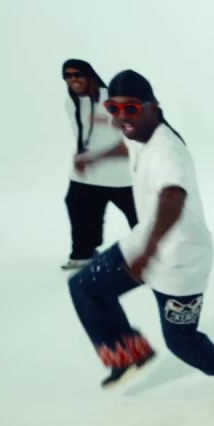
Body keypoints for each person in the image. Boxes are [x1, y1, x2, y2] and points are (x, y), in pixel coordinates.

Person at [69, 70, 214, 414]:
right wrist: (96, 158)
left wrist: (148, 253)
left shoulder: (168, 151)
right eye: (113, 108)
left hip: (182, 259)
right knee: (84, 287)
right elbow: (128, 148)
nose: (121, 117)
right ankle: (128, 353)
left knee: (180, 341)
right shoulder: (140, 133)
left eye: (131, 108)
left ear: (153, 107)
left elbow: (172, 198)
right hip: (145, 242)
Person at [60, 59, 138, 270]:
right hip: (87, 174)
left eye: (78, 74)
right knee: (78, 208)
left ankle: (157, 255)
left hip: (120, 174)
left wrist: (97, 154)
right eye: (68, 75)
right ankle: (83, 254)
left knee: (141, 217)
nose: (73, 79)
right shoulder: (71, 102)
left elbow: (130, 131)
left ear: (89, 75)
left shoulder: (110, 99)